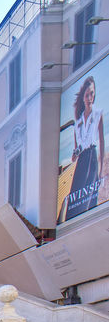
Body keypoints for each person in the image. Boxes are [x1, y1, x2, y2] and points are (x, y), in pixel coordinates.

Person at [64, 76, 105, 221]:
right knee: (75, 203)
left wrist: (101, 171)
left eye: (92, 93)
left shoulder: (99, 114)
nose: (90, 98)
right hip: (81, 161)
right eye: (87, 95)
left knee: (90, 199)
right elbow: (75, 153)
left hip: (93, 158)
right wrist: (75, 154)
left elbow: (101, 142)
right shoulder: (78, 122)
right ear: (83, 97)